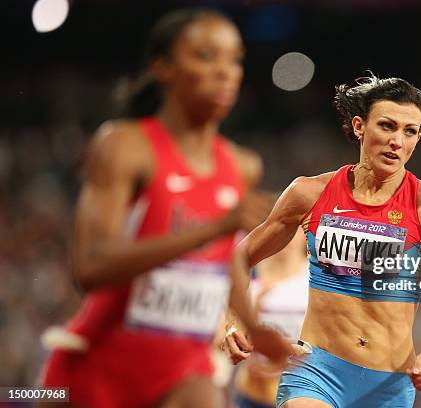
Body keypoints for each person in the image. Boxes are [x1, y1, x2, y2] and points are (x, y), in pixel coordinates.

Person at [39, 8, 290, 408]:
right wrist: (209, 229)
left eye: (235, 59)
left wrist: (253, 327)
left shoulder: (242, 165)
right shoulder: (124, 146)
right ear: (163, 68)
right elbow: (88, 267)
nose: (226, 72)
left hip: (184, 368)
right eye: (206, 56)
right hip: (99, 364)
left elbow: (220, 263)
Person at [224, 74, 421, 408]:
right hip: (317, 370)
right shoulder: (309, 194)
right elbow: (239, 258)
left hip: (388, 384)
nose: (397, 142)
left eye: (409, 131)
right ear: (359, 126)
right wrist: (233, 321)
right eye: (387, 126)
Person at [230, 230, 309, 408]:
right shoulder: (248, 275)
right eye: (283, 228)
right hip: (251, 393)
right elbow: (224, 337)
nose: (286, 237)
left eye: (294, 229)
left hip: (297, 397)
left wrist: (286, 353)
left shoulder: (315, 280)